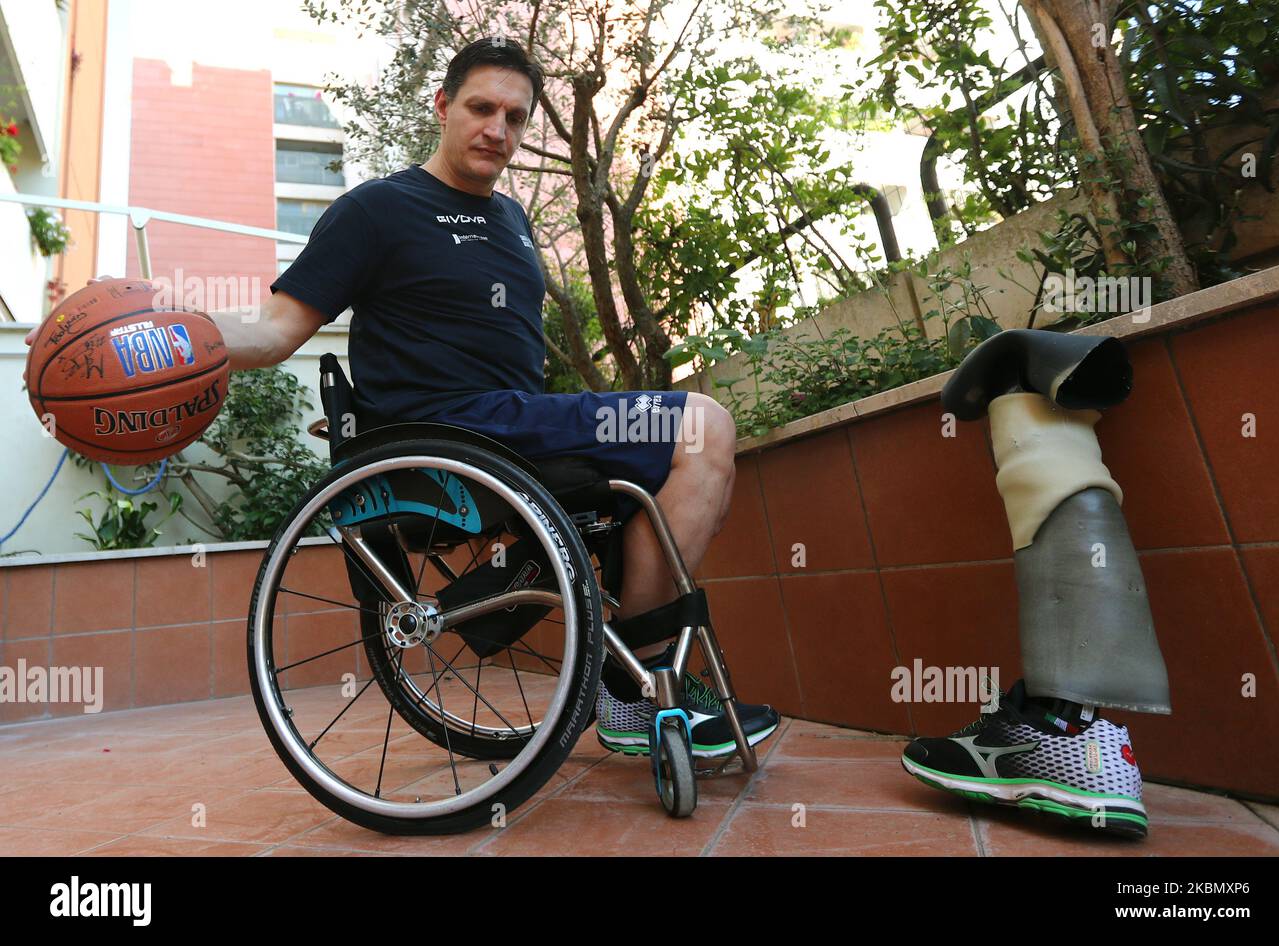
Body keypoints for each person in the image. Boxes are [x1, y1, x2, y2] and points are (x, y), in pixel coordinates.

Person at [56, 37, 775, 760]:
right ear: (442, 105)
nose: (499, 129)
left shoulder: (513, 222)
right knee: (701, 425)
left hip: (515, 428)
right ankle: (643, 688)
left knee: (682, 460)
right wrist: (168, 333)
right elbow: (275, 331)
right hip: (449, 431)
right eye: (482, 108)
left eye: (516, 118)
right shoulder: (376, 211)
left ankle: (634, 683)